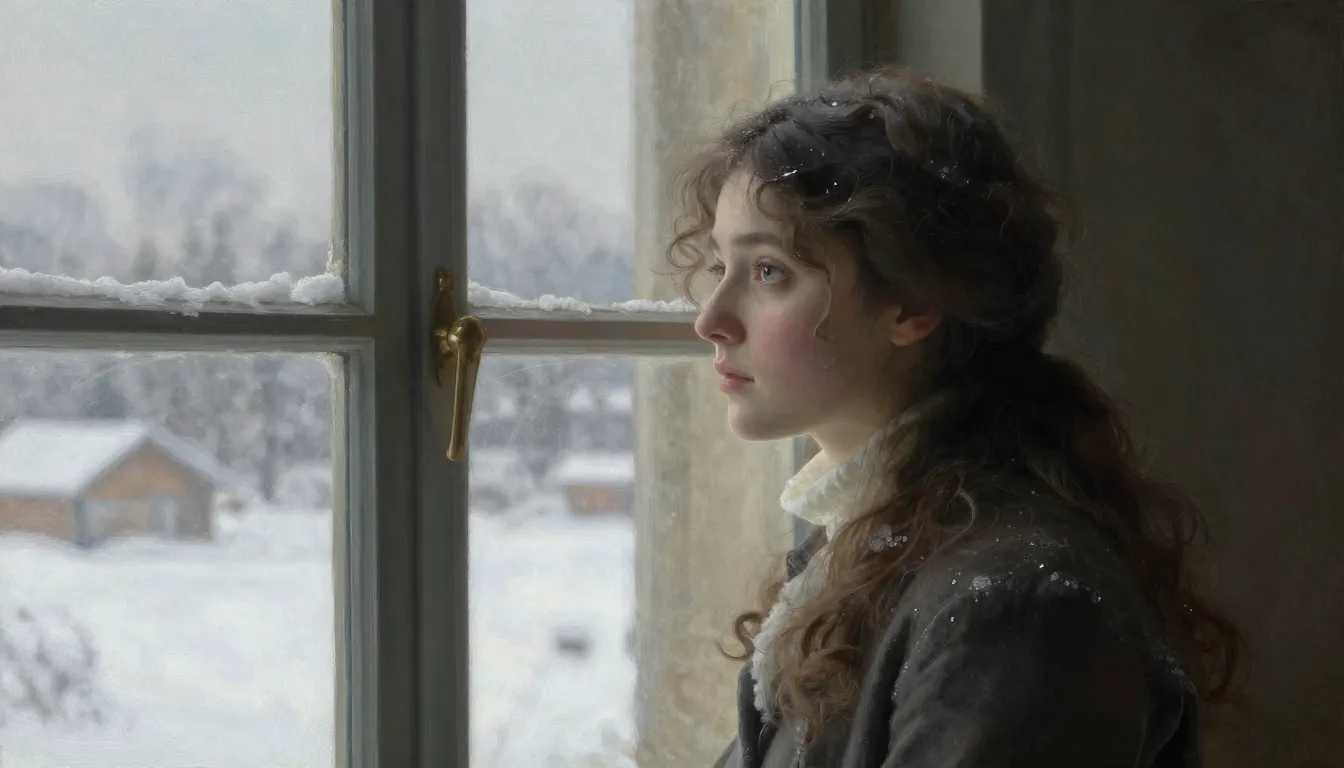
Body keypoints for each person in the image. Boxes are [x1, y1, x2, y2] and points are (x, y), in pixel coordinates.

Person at [670, 67, 1243, 767]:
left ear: (912, 302)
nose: (711, 320)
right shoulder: (864, 551)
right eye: (720, 268)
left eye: (768, 272)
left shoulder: (1016, 603)